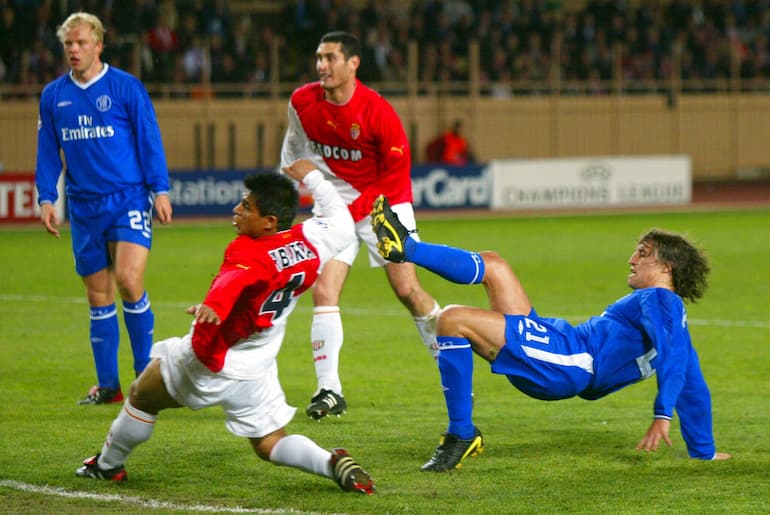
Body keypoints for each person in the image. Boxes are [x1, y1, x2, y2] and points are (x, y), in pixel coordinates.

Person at [75, 160, 376, 495]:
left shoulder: (247, 251)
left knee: (141, 396)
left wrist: (214, 306)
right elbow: (343, 222)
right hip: (258, 364)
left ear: (269, 222)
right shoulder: (312, 239)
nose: (236, 209)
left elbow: (234, 280)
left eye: (246, 206)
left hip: (211, 359)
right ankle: (329, 462)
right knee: (269, 442)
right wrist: (315, 178)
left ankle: (107, 466)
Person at [371, 195, 732, 472]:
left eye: (643, 253)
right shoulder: (671, 321)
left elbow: (675, 361)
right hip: (560, 343)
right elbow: (691, 382)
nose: (632, 259)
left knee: (451, 319)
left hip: (566, 362)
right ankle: (408, 248)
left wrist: (662, 414)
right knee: (493, 265)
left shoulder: (660, 299)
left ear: (666, 267)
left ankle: (461, 434)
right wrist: (704, 451)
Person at [280, 31, 441, 420]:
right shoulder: (302, 101)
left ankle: (449, 362)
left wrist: (354, 211)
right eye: (319, 57)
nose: (321, 65)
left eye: (330, 58)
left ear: (353, 63)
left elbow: (395, 174)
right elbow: (292, 154)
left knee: (408, 290)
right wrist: (303, 188)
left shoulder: (377, 111)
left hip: (385, 202)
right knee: (324, 291)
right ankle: (328, 390)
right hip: (335, 203)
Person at [35, 12, 173, 405]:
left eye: (81, 43)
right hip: (83, 207)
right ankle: (109, 386)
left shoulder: (126, 87)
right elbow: (48, 152)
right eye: (68, 44)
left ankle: (145, 378)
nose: (73, 50)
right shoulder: (53, 95)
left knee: (128, 279)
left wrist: (160, 190)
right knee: (98, 295)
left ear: (98, 44)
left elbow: (149, 139)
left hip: (127, 198)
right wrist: (47, 197)